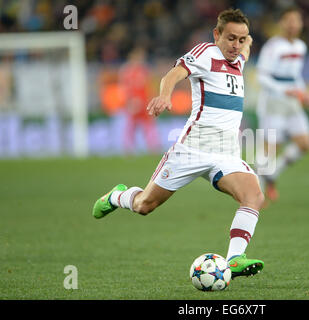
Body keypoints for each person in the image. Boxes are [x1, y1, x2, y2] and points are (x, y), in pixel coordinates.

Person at [92, 9, 265, 278]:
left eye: (241, 39)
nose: (236, 45)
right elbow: (172, 75)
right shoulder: (206, 53)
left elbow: (247, 47)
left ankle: (234, 259)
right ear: (217, 34)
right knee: (144, 205)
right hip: (192, 149)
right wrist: (164, 96)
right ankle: (117, 196)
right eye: (231, 38)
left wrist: (247, 42)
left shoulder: (240, 58)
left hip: (226, 153)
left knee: (253, 195)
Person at [255, 6, 309, 203]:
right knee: (270, 147)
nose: (292, 24)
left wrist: (303, 91)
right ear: (281, 23)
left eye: (296, 20)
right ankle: (256, 193)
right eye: (288, 20)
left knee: (305, 143)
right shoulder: (273, 46)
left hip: (292, 100)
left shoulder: (300, 47)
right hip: (273, 101)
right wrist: (283, 90)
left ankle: (273, 174)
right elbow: (261, 76)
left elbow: (295, 75)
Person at [119, 47, 161, 154]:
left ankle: (153, 147)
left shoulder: (145, 70)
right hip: (133, 103)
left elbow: (151, 86)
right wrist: (128, 102)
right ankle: (128, 149)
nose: (140, 59)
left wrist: (152, 100)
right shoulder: (127, 71)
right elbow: (124, 88)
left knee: (148, 126)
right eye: (138, 57)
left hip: (145, 103)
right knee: (130, 127)